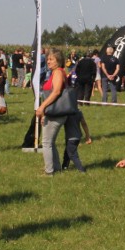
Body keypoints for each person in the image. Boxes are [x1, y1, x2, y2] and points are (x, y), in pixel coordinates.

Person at [35, 48, 68, 176]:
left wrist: (42, 107)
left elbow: (56, 91)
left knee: (46, 142)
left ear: (58, 61)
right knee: (50, 142)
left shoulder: (58, 73)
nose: (48, 61)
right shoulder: (54, 72)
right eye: (47, 59)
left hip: (57, 112)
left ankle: (49, 171)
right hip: (52, 112)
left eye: (51, 59)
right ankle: (56, 167)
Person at [62, 108, 91, 172]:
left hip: (71, 137)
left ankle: (81, 169)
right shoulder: (78, 111)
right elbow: (84, 123)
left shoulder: (66, 111)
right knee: (67, 152)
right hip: (77, 136)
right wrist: (87, 135)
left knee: (72, 154)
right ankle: (64, 167)